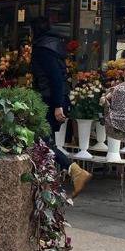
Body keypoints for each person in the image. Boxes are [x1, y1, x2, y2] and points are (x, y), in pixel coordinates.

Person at [32, 12, 92, 197]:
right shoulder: (54, 46)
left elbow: (55, 79)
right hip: (52, 100)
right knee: (43, 141)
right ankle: (58, 179)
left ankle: (74, 172)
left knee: (42, 142)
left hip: (48, 101)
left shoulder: (43, 49)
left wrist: (58, 105)